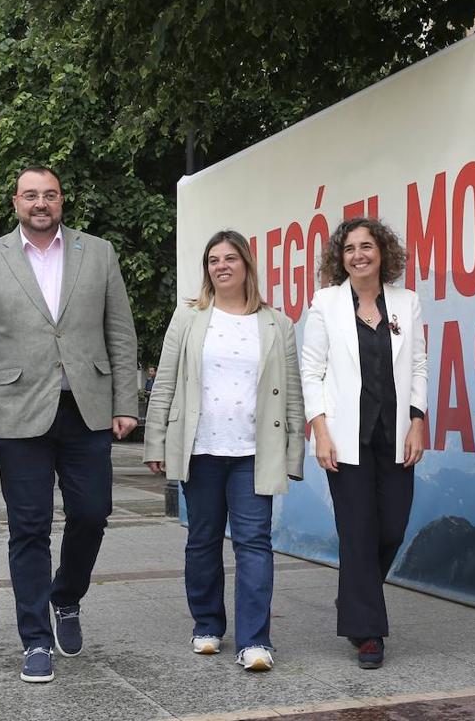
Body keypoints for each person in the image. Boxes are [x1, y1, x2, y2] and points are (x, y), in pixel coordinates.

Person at [0, 165, 139, 684]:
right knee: (28, 528)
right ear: (15, 202)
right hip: (15, 414)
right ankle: (35, 638)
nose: (41, 203)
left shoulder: (97, 253)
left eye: (50, 194)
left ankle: (66, 596)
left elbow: (119, 333)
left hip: (87, 408)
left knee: (93, 512)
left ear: (62, 200)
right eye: (31, 195)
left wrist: (127, 401)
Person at [143, 230, 304, 672]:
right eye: (213, 259)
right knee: (202, 541)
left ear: (247, 265)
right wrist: (155, 440)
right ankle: (208, 626)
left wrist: (293, 453)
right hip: (201, 449)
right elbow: (166, 384)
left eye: (230, 258)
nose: (221, 266)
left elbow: (291, 394)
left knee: (254, 543)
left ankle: (255, 640)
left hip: (254, 451)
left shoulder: (277, 323)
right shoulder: (189, 317)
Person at [300, 217, 427, 670]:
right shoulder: (325, 303)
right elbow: (310, 370)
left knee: (391, 527)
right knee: (357, 533)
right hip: (345, 439)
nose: (358, 255)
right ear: (341, 257)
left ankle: (354, 601)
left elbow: (418, 365)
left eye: (367, 246)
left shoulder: (406, 303)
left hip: (395, 435)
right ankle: (368, 632)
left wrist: (418, 421)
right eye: (350, 248)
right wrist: (320, 431)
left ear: (382, 253)